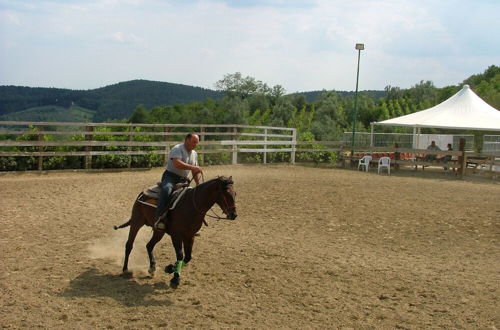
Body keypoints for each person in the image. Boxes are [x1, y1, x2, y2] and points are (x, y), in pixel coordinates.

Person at [154, 133, 202, 231]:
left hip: (184, 180)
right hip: (170, 177)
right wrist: (193, 167)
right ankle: (159, 217)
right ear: (187, 140)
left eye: (197, 143)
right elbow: (177, 164)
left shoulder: (194, 153)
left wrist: (199, 185)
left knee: (191, 197)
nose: (195, 145)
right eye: (194, 142)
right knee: (167, 190)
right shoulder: (177, 149)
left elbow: (195, 171)